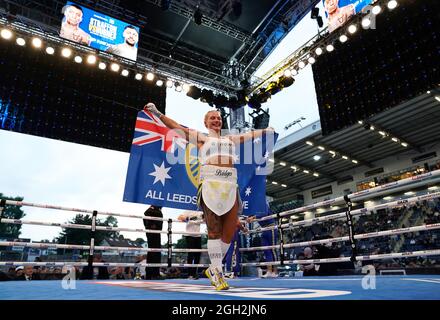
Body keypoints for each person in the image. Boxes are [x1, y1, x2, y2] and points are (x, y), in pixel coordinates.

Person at [143, 103, 273, 290]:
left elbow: (249, 135)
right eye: (212, 117)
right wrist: (157, 114)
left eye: (219, 117)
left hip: (230, 185)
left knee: (229, 233)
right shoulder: (202, 139)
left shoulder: (230, 140)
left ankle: (213, 269)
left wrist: (265, 131)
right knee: (214, 231)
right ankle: (218, 273)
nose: (216, 119)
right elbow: (176, 127)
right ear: (205, 122)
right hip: (210, 184)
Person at [178, 210, 204, 279]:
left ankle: (194, 273)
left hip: (198, 235)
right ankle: (190, 274)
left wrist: (204, 218)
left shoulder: (201, 212)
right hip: (189, 235)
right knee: (191, 254)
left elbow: (206, 219)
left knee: (198, 255)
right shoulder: (188, 210)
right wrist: (188, 218)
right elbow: (179, 217)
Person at [143, 205, 163, 280]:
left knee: (157, 252)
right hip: (151, 232)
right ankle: (150, 274)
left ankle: (155, 273)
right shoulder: (150, 210)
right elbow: (146, 214)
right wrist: (151, 225)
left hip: (157, 232)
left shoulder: (157, 210)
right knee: (152, 252)